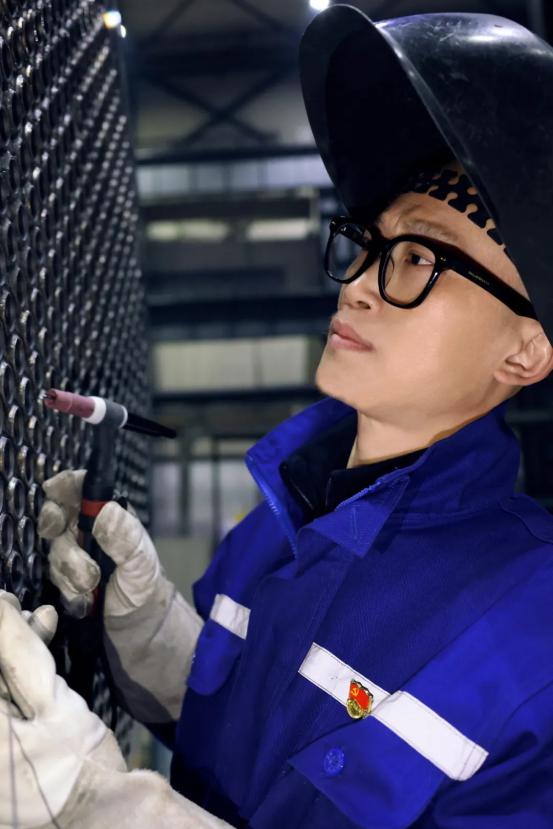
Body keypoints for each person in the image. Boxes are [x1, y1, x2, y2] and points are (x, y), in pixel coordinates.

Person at [3, 5, 553, 828]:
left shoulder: (533, 636)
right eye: (368, 244)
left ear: (525, 352)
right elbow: (242, 731)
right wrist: (146, 625)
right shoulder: (282, 521)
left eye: (417, 257)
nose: (357, 283)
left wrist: (92, 801)